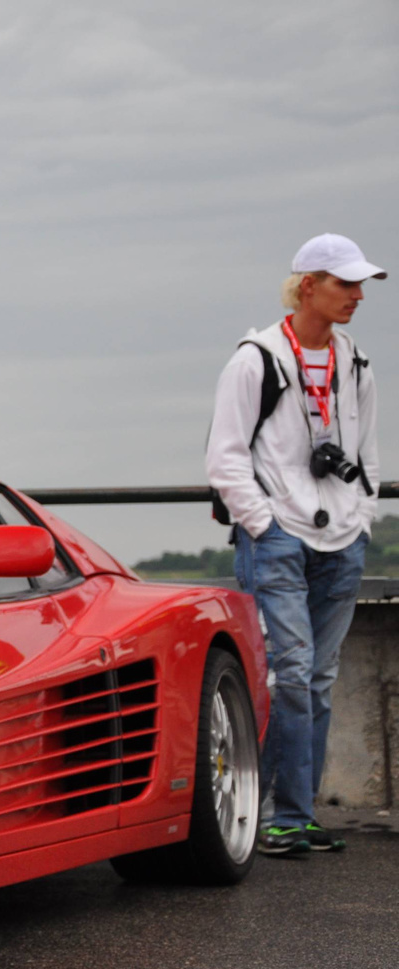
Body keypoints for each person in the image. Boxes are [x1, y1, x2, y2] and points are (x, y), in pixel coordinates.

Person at [205, 233, 383, 857]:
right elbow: (224, 459)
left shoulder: (355, 361)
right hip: (278, 539)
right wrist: (263, 524)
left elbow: (367, 455)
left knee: (319, 677)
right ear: (308, 285)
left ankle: (295, 814)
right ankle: (278, 814)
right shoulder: (256, 359)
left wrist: (360, 516)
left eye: (361, 284)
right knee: (290, 675)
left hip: (341, 539)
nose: (358, 295)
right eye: (345, 283)